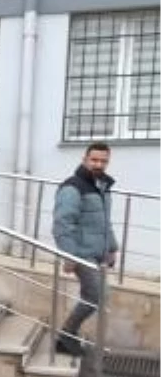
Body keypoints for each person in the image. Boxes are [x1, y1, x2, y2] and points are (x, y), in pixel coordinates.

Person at [51, 142, 118, 356]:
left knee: (94, 296)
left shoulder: (102, 187)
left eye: (103, 161)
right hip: (81, 254)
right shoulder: (73, 187)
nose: (99, 164)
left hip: (97, 253)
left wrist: (111, 248)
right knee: (98, 295)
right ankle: (66, 336)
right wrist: (69, 256)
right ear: (85, 159)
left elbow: (105, 222)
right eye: (94, 160)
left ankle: (67, 336)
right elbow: (62, 224)